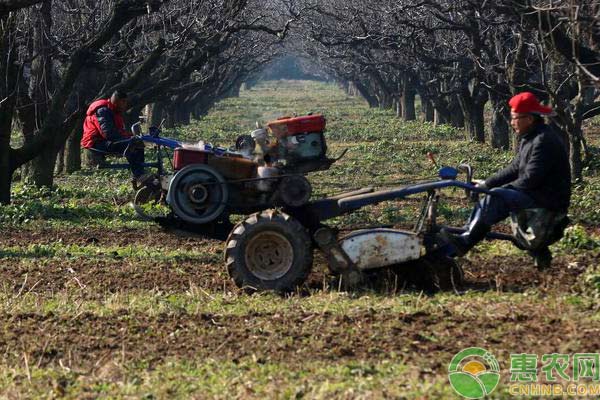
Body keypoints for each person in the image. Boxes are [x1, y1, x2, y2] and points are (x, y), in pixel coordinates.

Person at [442, 92, 571, 267]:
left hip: (547, 200)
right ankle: (539, 253)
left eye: (514, 118)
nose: (511, 123)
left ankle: (464, 241)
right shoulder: (530, 138)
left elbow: (529, 180)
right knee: (494, 192)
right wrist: (486, 183)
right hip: (536, 195)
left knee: (496, 197)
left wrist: (494, 190)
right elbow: (514, 168)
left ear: (530, 119)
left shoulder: (543, 141)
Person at [81, 90, 151, 188]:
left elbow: (117, 132)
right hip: (96, 143)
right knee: (131, 144)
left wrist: (130, 136)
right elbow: (108, 134)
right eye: (124, 102)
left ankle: (139, 174)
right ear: (117, 101)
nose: (125, 105)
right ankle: (139, 174)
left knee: (138, 143)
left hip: (104, 140)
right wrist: (128, 139)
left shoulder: (112, 110)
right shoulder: (103, 111)